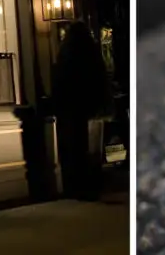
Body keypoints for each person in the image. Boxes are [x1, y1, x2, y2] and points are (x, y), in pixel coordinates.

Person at [52, 21, 113, 201]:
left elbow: (59, 80)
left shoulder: (65, 53)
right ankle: (90, 185)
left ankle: (75, 186)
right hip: (87, 106)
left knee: (74, 147)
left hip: (70, 108)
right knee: (91, 148)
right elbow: (100, 78)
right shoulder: (90, 52)